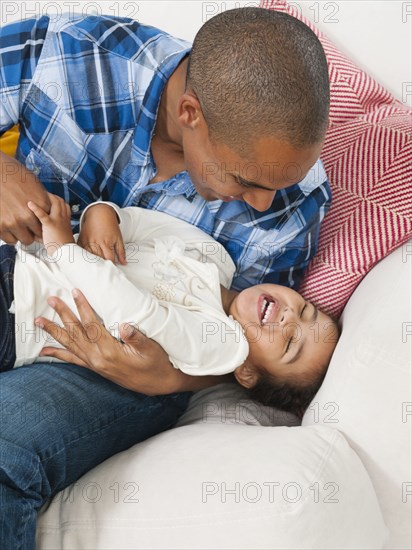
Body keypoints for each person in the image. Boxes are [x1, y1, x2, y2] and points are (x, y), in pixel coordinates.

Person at [0, 7, 331, 549]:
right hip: (19, 274)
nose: (264, 203)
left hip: (132, 363)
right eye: (246, 179)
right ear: (189, 112)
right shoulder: (70, 54)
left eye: (279, 184)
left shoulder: (296, 208)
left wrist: (172, 381)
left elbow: (245, 354)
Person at [1, 194, 339, 412]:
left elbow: (134, 317)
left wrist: (65, 251)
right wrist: (104, 214)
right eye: (306, 310)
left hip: (20, 315)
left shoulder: (222, 346)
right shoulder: (217, 260)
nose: (290, 317)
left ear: (248, 373)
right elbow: (143, 225)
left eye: (290, 342)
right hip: (17, 260)